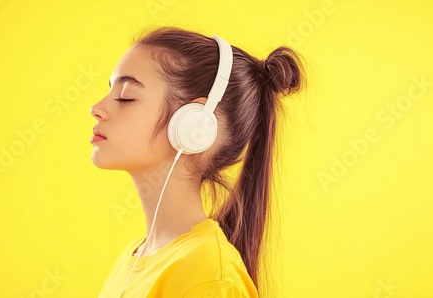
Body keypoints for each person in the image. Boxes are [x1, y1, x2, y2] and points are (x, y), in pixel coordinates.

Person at [90, 26, 304, 297]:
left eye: (125, 97)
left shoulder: (208, 276)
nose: (96, 108)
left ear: (195, 125)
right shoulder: (134, 257)